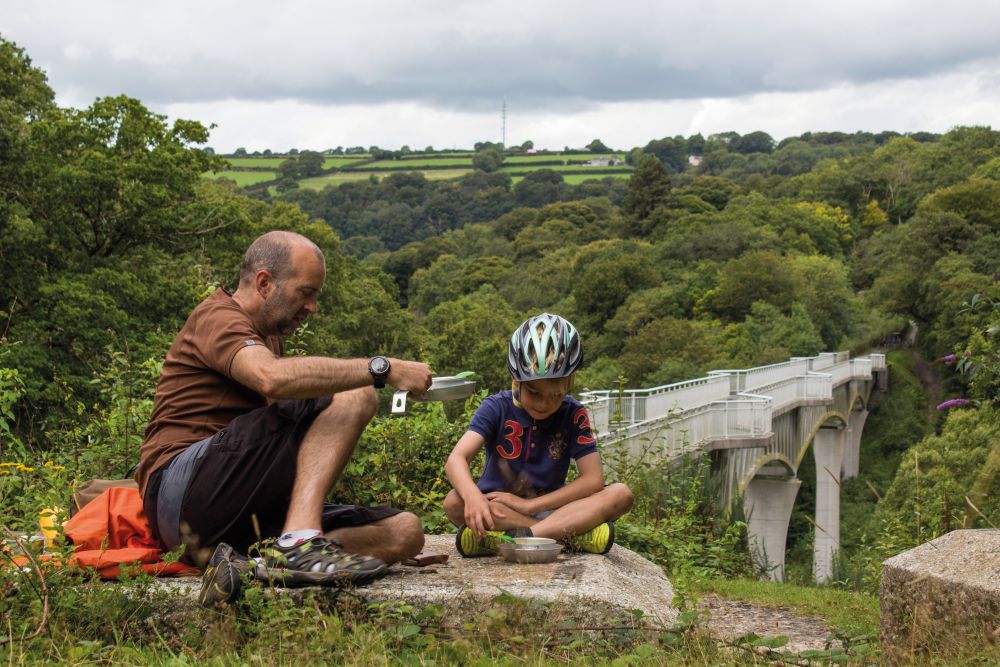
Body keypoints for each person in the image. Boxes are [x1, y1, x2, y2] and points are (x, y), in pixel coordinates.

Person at [135, 230, 433, 604]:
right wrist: (381, 368)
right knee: (355, 391)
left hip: (230, 511)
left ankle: (257, 564)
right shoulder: (218, 318)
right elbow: (270, 378)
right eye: (306, 293)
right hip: (179, 494)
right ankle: (299, 543)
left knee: (404, 532)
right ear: (264, 283)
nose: (312, 307)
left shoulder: (267, 336)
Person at [443, 313, 634, 556]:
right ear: (516, 380)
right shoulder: (495, 407)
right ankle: (565, 536)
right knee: (454, 502)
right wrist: (472, 497)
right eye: (534, 393)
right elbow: (456, 459)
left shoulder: (574, 413)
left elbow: (593, 479)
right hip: (498, 507)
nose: (544, 404)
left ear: (568, 384)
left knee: (621, 494)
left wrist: (528, 505)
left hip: (553, 508)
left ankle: (516, 539)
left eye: (556, 395)